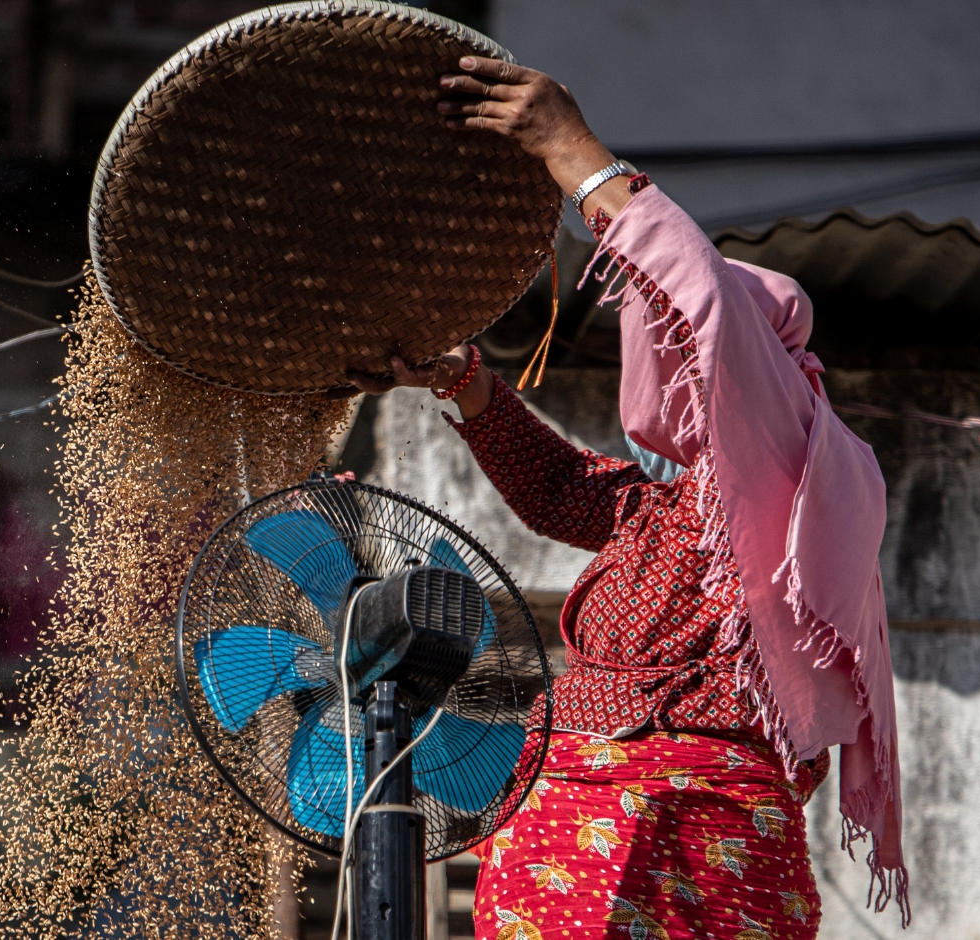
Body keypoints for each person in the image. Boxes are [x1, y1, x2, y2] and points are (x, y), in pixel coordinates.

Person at [348, 57, 907, 940]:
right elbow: (565, 489)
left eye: (704, 356)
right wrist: (467, 389)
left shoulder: (802, 461)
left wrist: (574, 152)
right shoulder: (680, 506)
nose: (678, 364)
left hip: (706, 819)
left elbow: (700, 309)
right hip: (568, 803)